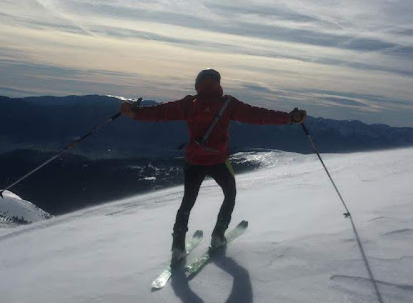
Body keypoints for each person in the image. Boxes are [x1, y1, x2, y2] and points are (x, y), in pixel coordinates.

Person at [120, 69, 307, 261]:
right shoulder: (228, 104)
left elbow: (161, 112)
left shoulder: (189, 104)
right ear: (218, 84)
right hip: (219, 160)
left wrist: (135, 113)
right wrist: (289, 118)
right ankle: (218, 234)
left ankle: (177, 246)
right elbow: (257, 115)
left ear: (197, 85)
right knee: (230, 194)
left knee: (187, 203)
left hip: (194, 161)